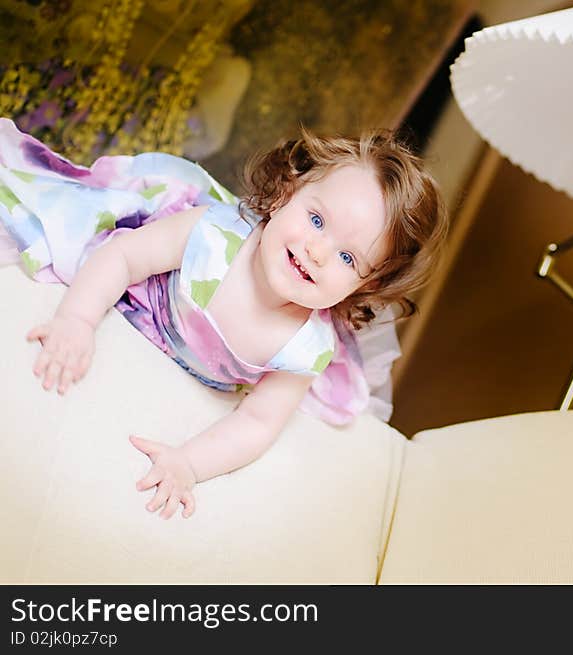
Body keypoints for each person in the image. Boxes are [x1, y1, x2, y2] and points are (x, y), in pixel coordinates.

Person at [0, 117, 447, 520]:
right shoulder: (213, 235)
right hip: (153, 301)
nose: (318, 251)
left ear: (364, 286)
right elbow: (123, 256)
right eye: (315, 219)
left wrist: (190, 463)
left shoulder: (307, 348)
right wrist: (77, 320)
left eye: (348, 257)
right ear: (285, 195)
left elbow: (257, 423)